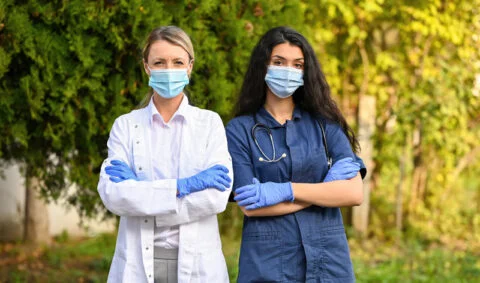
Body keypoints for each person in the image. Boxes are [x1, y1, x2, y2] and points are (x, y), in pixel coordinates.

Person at [226, 26, 367, 283]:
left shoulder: (326, 125)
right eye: (279, 62)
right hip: (267, 265)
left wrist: (286, 190)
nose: (288, 71)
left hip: (329, 263)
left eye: (297, 64)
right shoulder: (239, 130)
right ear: (263, 67)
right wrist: (324, 191)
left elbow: (353, 193)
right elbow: (251, 207)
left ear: (305, 71)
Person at [97, 26, 232, 283]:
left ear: (190, 66)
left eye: (178, 62)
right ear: (147, 67)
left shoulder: (210, 123)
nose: (169, 70)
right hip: (136, 263)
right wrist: (182, 187)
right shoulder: (125, 125)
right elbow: (113, 195)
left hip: (199, 267)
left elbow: (216, 198)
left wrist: (142, 192)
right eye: (159, 62)